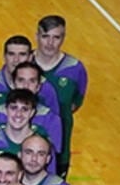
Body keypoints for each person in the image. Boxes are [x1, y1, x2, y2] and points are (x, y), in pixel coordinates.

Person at [32, 14, 87, 176]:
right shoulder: (23, 64)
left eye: (56, 37)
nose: (50, 43)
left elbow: (75, 103)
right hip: (24, 147)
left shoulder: (75, 69)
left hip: (59, 148)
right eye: (45, 36)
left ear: (63, 38)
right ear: (37, 36)